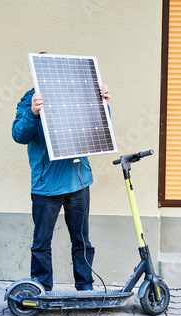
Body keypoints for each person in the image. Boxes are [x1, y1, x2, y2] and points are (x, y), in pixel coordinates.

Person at [12, 81, 111, 292]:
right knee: (41, 243)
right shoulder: (29, 100)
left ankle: (85, 287)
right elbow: (19, 135)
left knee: (82, 241)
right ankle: (41, 289)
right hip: (46, 186)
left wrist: (103, 104)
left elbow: (98, 128)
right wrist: (33, 112)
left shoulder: (77, 94)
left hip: (78, 182)